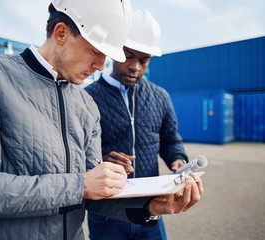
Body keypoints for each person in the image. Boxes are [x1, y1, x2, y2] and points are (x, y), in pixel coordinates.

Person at [0, 1, 203, 239]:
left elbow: (92, 195)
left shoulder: (86, 104)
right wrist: (79, 185)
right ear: (62, 33)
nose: (101, 65)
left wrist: (151, 207)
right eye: (95, 51)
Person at [85, 9, 190, 240]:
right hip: (106, 213)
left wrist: (177, 160)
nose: (135, 66)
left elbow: (170, 139)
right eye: (128, 56)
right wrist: (101, 161)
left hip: (150, 211)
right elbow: (77, 153)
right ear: (114, 51)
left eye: (144, 60)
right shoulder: (86, 98)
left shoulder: (160, 96)